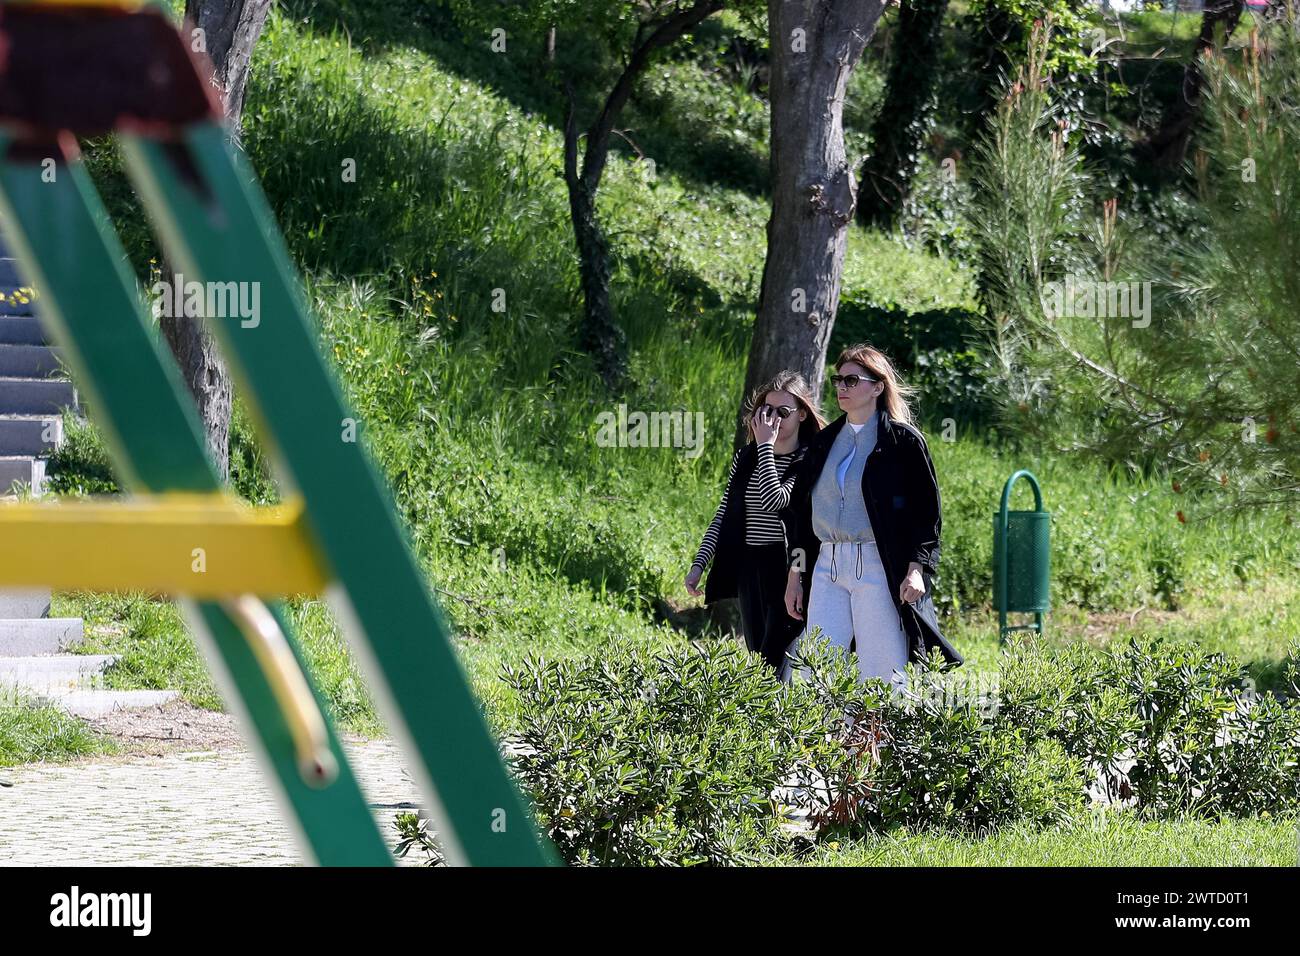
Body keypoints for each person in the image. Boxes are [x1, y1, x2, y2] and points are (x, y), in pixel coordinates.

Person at [782, 344, 962, 689]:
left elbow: (927, 513)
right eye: (838, 380)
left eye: (852, 380)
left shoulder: (903, 443)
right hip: (826, 565)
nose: (842, 388)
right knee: (817, 670)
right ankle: (828, 743)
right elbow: (799, 517)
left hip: (878, 564)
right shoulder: (823, 442)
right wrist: (795, 575)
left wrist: (916, 570)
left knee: (882, 670)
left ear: (877, 386)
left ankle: (880, 742)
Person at [687, 371, 826, 674]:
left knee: (773, 663)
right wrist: (700, 563)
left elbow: (774, 500)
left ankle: (782, 720)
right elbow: (725, 513)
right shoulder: (747, 457)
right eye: (767, 411)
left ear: (802, 414)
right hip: (750, 567)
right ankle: (770, 719)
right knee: (758, 662)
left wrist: (765, 446)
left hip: (789, 568)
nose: (773, 419)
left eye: (783, 412)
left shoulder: (807, 460)